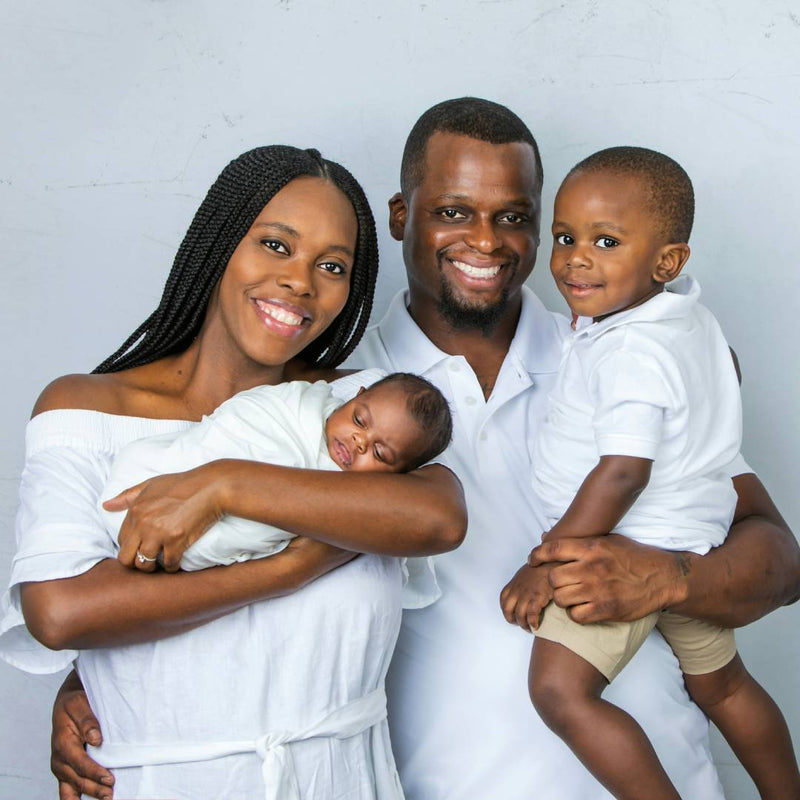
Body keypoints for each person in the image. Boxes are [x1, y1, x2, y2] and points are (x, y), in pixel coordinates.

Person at [48, 100, 800, 799]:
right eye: (453, 212)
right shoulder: (336, 408)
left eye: (514, 218)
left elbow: (778, 558)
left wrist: (672, 579)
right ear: (401, 217)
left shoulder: (622, 360)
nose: (486, 241)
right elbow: (235, 575)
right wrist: (98, 680)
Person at [0, 144, 466, 800]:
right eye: (276, 245)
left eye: (332, 266)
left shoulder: (356, 412)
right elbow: (61, 611)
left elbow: (438, 517)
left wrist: (226, 484)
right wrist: (287, 570)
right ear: (220, 242)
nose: (301, 282)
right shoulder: (86, 411)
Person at [500, 146, 800, 799]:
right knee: (724, 686)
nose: (576, 258)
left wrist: (547, 562)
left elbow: (622, 474)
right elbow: (724, 376)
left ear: (667, 262)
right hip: (692, 539)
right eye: (565, 237)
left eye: (606, 241)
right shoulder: (685, 320)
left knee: (560, 691)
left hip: (625, 549)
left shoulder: (629, 349)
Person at [101, 372, 452, 572]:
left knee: (252, 529)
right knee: (147, 457)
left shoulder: (355, 496)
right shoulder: (300, 403)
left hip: (199, 538)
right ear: (354, 396)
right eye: (359, 420)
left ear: (398, 477)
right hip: (171, 468)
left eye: (379, 453)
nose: (358, 441)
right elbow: (243, 419)